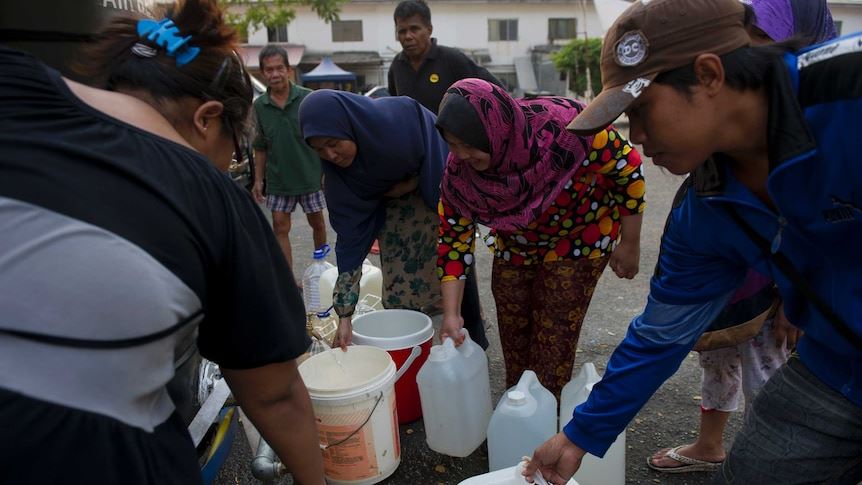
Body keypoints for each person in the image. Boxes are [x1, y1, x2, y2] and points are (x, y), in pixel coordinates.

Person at [524, 0, 862, 483]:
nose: (635, 135)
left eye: (640, 110)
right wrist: (580, 435)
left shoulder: (848, 93)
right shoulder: (704, 209)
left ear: (707, 74)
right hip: (838, 366)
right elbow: (661, 335)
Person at [0, 2, 325, 483]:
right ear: (207, 119)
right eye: (233, 147)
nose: (227, 164)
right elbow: (275, 395)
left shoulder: (14, 80)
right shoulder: (212, 201)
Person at [646, 0, 837, 473]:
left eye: (765, 41)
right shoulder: (714, 177)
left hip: (801, 319)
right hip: (731, 289)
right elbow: (663, 325)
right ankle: (714, 445)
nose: (750, 56)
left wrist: (796, 301)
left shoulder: (837, 120)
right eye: (744, 39)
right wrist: (584, 434)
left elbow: (829, 252)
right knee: (721, 361)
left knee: (774, 381)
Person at [435, 78, 646, 397]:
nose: (461, 155)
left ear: (495, 130)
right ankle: (521, 408)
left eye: (468, 144)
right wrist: (451, 315)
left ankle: (547, 423)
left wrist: (630, 244)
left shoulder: (569, 130)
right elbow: (453, 241)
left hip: (580, 238)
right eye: (452, 144)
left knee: (552, 339)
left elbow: (627, 168)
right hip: (515, 244)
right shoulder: (460, 175)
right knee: (514, 333)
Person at [388, 0, 504, 349]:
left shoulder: (452, 60)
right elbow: (397, 117)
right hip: (421, 175)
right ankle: (435, 335)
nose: (408, 37)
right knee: (433, 254)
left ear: (429, 29)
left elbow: (494, 93)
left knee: (458, 250)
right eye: (401, 31)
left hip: (460, 166)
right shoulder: (396, 68)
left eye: (414, 29)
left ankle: (475, 338)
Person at [299, 90, 453, 350]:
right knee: (399, 284)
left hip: (429, 186)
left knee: (446, 263)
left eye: (333, 143)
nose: (331, 155)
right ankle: (412, 342)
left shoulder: (397, 125)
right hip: (387, 202)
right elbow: (350, 244)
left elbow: (437, 150)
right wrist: (344, 318)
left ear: (349, 127)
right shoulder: (340, 181)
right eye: (320, 150)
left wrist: (413, 183)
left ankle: (454, 325)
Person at [252, 44, 327, 272]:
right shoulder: (259, 106)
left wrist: (327, 173)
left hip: (310, 176)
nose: (274, 74)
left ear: (288, 69)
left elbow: (324, 140)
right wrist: (258, 179)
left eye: (279, 68)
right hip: (278, 179)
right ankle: (288, 279)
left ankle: (320, 269)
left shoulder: (308, 99)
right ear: (263, 72)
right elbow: (260, 146)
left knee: (318, 223)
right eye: (269, 70)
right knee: (279, 227)